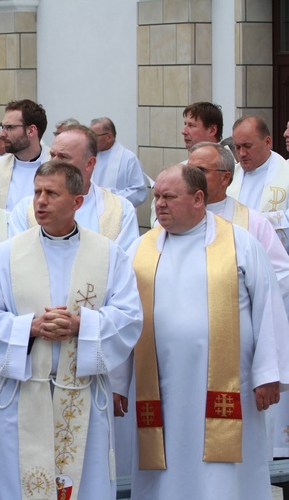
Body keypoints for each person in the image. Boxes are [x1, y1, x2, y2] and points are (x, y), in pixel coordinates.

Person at [0, 160, 143, 499]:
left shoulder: (108, 254)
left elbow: (129, 317)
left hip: (82, 395)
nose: (41, 201)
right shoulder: (7, 254)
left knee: (82, 484)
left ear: (77, 202)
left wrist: (81, 325)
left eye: (51, 193)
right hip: (24, 394)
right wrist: (29, 328)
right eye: (37, 192)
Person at [120, 164, 288, 499]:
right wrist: (116, 382)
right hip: (159, 386)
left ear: (199, 198)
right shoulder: (140, 250)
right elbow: (123, 317)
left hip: (228, 388)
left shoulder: (240, 243)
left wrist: (269, 372)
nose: (159, 205)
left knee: (223, 477)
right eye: (156, 197)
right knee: (164, 469)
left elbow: (268, 306)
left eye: (169, 197)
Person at [9, 125, 140, 250]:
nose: (54, 162)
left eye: (63, 157)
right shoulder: (25, 210)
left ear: (89, 163)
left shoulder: (121, 211)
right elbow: (19, 258)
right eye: (52, 155)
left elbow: (121, 263)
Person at [227, 116, 289, 251]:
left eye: (247, 146)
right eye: (237, 147)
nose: (241, 153)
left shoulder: (286, 173)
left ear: (267, 142)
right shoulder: (227, 176)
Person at [0, 99, 50, 211]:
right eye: (2, 127)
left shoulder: (57, 167)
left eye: (9, 127)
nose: (1, 134)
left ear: (31, 130)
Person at [89, 117, 149, 207]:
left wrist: (107, 194)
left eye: (94, 136)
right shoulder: (89, 155)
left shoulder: (128, 159)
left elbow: (139, 192)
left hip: (116, 213)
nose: (90, 140)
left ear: (109, 137)